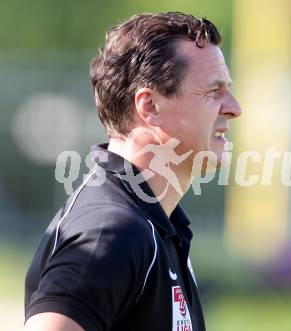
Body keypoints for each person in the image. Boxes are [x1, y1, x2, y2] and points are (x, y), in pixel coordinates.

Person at [24, 12, 241, 331]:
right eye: (213, 91)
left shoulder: (154, 224)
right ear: (150, 106)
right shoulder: (111, 231)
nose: (234, 107)